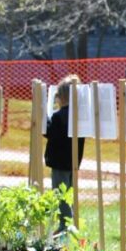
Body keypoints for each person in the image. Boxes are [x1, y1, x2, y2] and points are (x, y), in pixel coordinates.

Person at [44, 75, 84, 225]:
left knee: (60, 194)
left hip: (59, 163)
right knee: (70, 192)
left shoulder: (58, 116)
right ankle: (70, 221)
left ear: (61, 97)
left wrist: (45, 121)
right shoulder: (80, 116)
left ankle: (64, 224)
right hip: (73, 161)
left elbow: (50, 133)